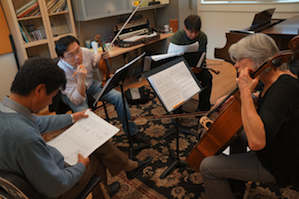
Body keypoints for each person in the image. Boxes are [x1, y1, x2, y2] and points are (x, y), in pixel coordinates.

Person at [0, 58, 152, 199]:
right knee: (94, 156)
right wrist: (81, 165)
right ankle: (106, 188)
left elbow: (38, 122)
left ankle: (123, 171)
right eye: (52, 96)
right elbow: (57, 186)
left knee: (93, 143)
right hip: (53, 190)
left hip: (38, 170)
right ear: (39, 90)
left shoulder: (7, 111)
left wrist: (73, 117)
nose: (51, 101)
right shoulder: (24, 137)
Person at [199, 33, 299, 199]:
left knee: (207, 167)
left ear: (256, 58)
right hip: (276, 145)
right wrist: (247, 97)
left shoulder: (283, 90)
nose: (236, 64)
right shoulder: (278, 79)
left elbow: (257, 142)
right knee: (234, 127)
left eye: (239, 59)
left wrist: (245, 92)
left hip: (280, 162)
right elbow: (267, 99)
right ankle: (236, 182)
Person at [55, 35, 148, 143]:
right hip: (74, 95)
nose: (77, 57)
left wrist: (102, 56)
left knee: (118, 97)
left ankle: (132, 133)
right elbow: (78, 100)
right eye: (71, 55)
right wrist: (80, 80)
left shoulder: (85, 52)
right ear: (62, 58)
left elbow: (94, 63)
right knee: (85, 115)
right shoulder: (61, 71)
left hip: (90, 85)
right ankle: (97, 145)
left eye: (78, 51)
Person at [170, 15, 212, 111]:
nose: (193, 35)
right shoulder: (177, 37)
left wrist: (199, 67)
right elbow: (171, 59)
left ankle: (203, 108)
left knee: (207, 77)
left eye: (196, 32)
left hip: (195, 68)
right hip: (179, 70)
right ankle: (177, 111)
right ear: (185, 28)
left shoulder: (202, 37)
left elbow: (202, 57)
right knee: (175, 80)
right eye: (191, 31)